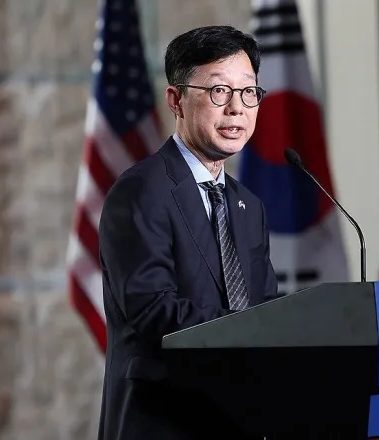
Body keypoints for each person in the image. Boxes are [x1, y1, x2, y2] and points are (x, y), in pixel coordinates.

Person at [97, 25, 278, 440]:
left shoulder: (248, 205)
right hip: (163, 423)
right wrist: (251, 331)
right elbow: (154, 310)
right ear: (176, 100)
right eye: (219, 91)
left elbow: (265, 307)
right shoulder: (141, 191)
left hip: (239, 422)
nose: (237, 108)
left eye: (248, 92)